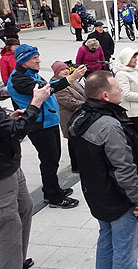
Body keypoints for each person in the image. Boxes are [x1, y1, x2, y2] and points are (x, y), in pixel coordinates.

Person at [68, 71, 138, 269]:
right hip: (118, 199)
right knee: (125, 253)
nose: (120, 90)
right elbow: (124, 168)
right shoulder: (109, 125)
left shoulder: (79, 115)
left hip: (96, 195)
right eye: (116, 88)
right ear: (105, 96)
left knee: (106, 243)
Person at [7, 44, 86, 208]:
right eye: (34, 58)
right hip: (38, 125)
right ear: (23, 60)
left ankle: (54, 188)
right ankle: (53, 196)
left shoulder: (30, 73)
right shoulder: (18, 79)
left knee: (54, 157)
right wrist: (70, 78)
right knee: (49, 160)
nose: (38, 60)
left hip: (48, 123)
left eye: (38, 56)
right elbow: (46, 91)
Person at [0, 82, 51, 269]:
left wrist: (8, 119)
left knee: (25, 207)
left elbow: (9, 129)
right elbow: (17, 131)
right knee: (9, 222)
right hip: (3, 175)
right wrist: (36, 103)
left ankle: (14, 260)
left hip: (11, 165)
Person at [50, 61, 86, 173]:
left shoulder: (71, 80)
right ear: (56, 72)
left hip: (79, 114)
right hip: (69, 117)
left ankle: (81, 163)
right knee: (73, 141)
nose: (65, 71)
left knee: (79, 141)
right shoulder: (57, 84)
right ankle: (76, 166)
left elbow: (83, 91)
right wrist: (87, 103)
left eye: (66, 68)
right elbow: (69, 102)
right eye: (62, 70)